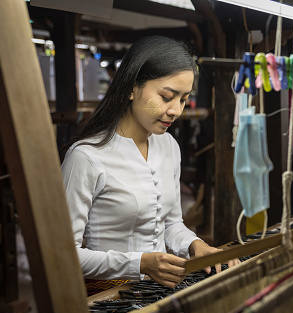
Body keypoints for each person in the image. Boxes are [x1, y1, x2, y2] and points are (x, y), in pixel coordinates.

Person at [61, 36, 239, 291]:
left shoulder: (168, 146)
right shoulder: (86, 156)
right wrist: (141, 264)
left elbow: (171, 223)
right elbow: (65, 255)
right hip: (106, 297)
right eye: (167, 96)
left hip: (156, 291)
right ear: (132, 88)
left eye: (183, 99)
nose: (176, 110)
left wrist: (195, 245)